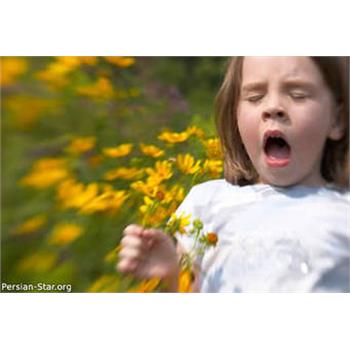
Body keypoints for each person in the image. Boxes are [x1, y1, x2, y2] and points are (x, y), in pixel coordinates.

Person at [117, 57, 350, 292]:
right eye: (255, 97)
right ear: (235, 115)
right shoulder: (207, 202)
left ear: (337, 119)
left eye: (298, 94)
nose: (272, 108)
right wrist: (170, 275)